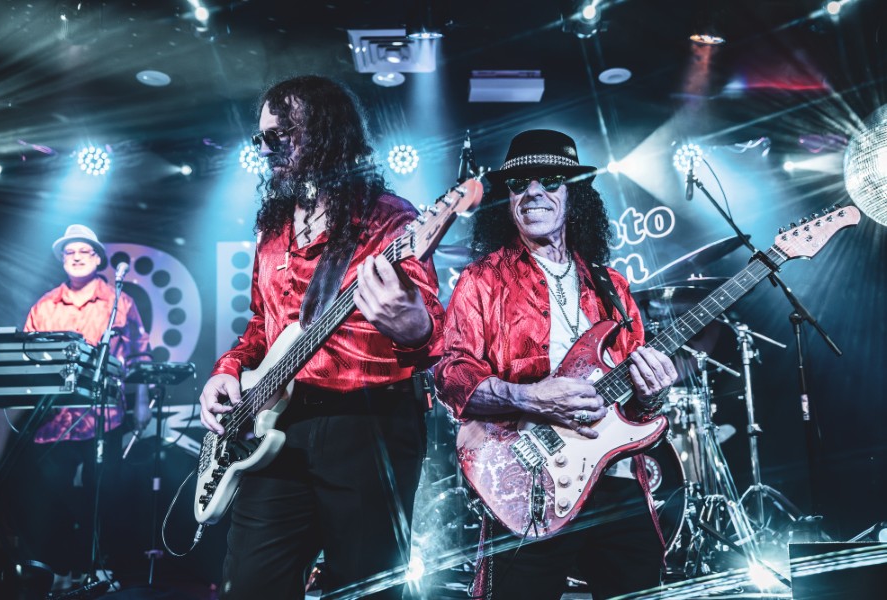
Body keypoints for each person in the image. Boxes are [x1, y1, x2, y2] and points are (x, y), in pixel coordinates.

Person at [198, 75, 445, 599]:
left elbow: (429, 333)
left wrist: (414, 326)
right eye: (261, 137)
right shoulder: (273, 229)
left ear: (328, 133)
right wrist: (226, 371)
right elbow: (261, 327)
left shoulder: (388, 219)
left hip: (368, 425)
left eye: (280, 135)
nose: (267, 148)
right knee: (250, 584)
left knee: (366, 587)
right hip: (277, 426)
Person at [435, 129, 679, 600]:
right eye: (519, 183)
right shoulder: (482, 280)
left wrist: (652, 394)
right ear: (507, 199)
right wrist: (530, 397)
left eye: (549, 180)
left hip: (616, 478)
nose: (532, 192)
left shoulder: (611, 287)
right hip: (530, 482)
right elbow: (451, 375)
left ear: (574, 194)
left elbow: (637, 408)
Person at [8, 223, 150, 588]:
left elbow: (140, 357)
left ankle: (100, 568)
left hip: (104, 417)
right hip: (52, 421)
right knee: (50, 497)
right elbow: (26, 360)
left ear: (99, 259)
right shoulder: (45, 305)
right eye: (69, 252)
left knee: (103, 494)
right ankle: (57, 570)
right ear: (61, 260)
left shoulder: (119, 302)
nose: (75, 257)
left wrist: (141, 404)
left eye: (84, 251)